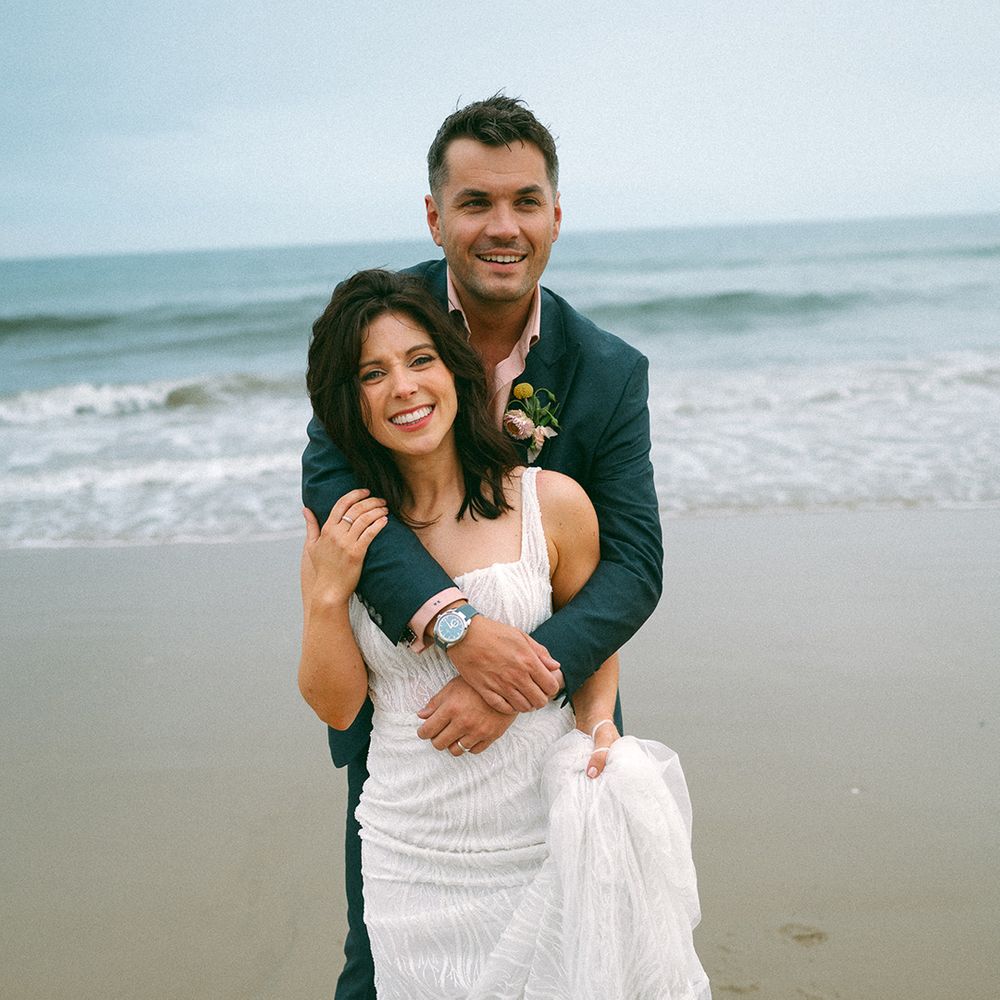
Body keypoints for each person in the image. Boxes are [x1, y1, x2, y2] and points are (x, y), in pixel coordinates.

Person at [302, 94, 664, 998]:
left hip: (552, 722)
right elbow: (332, 488)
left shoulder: (608, 371)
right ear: (435, 217)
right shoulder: (379, 331)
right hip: (412, 741)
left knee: (576, 952)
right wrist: (455, 625)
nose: (503, 227)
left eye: (525, 202)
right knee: (378, 966)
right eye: (475, 203)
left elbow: (631, 567)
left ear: (555, 216)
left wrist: (521, 678)